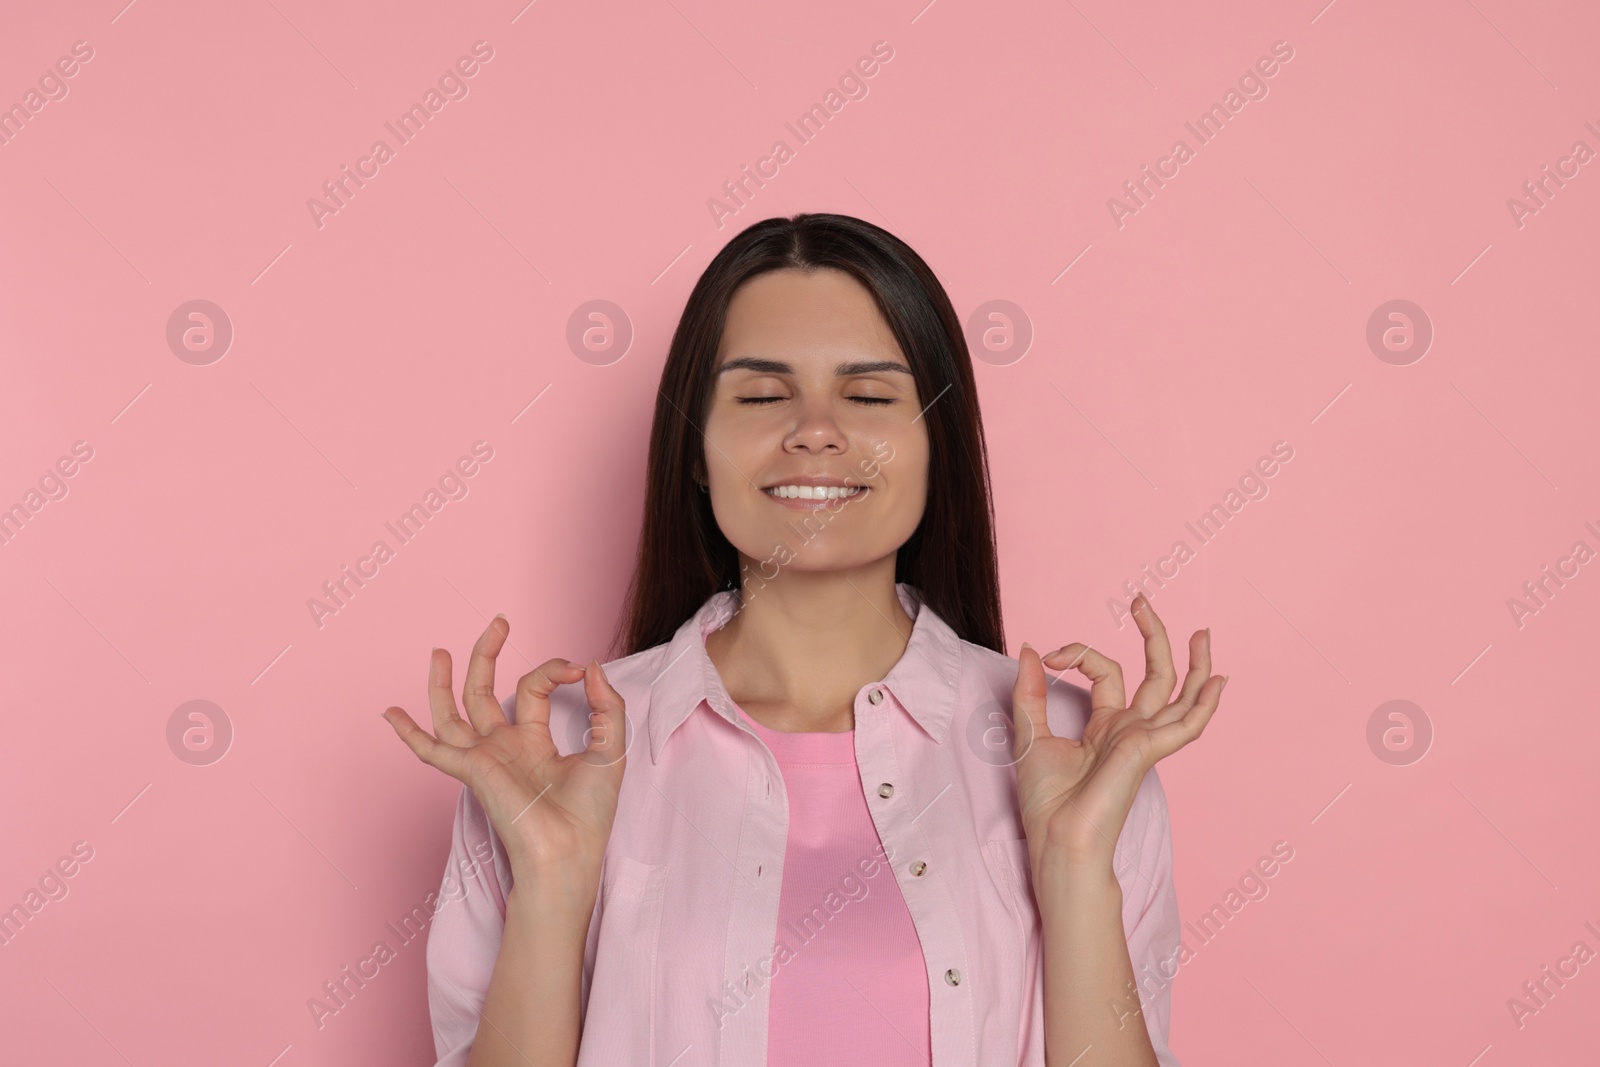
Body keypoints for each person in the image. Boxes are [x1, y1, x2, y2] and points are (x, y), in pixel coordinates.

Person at [381, 212, 1225, 1067]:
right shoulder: (553, 753)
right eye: (759, 395)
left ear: (940, 445)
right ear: (697, 450)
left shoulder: (1077, 759)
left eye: (867, 396)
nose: (815, 430)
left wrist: (1078, 865)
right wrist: (555, 884)